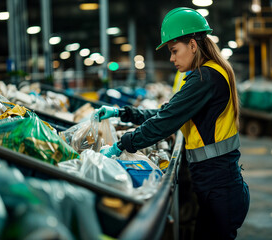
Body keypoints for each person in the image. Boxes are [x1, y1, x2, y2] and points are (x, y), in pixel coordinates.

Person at [97, 7, 249, 240]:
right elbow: (166, 113)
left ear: (193, 45)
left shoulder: (204, 78)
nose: (171, 58)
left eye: (174, 51)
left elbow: (164, 123)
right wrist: (122, 112)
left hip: (220, 186)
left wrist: (123, 144)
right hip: (217, 182)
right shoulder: (205, 75)